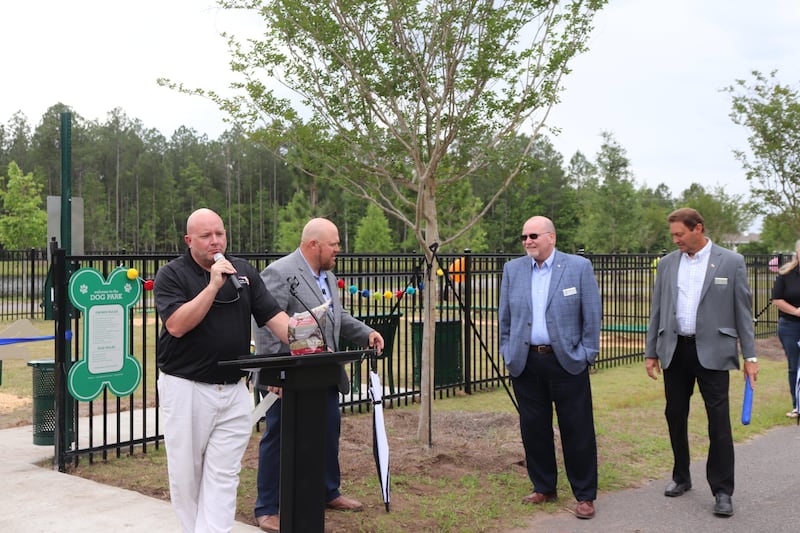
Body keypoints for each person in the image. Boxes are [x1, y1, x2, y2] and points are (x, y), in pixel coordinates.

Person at [154, 208, 290, 533]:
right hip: (187, 388)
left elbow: (274, 318)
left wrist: (309, 338)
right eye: (206, 236)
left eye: (220, 234)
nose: (215, 241)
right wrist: (213, 285)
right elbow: (177, 325)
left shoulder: (243, 272)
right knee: (187, 476)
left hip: (233, 390)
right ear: (189, 240)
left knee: (224, 474)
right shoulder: (171, 275)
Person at [253, 217, 385, 533]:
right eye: (334, 244)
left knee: (327, 431)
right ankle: (268, 507)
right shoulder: (280, 272)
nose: (338, 249)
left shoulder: (327, 275)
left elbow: (337, 316)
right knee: (278, 438)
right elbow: (265, 324)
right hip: (288, 378)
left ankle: (328, 491)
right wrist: (273, 373)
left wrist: (366, 333)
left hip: (324, 373)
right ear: (314, 244)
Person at [645, 207, 759, 518]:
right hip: (675, 351)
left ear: (698, 228)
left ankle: (722, 490)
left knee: (718, 422)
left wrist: (750, 357)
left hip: (714, 351)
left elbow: (743, 312)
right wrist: (651, 351)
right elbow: (657, 309)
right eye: (673, 235)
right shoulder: (667, 263)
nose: (676, 240)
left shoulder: (731, 261)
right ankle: (681, 476)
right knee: (675, 415)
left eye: (680, 234)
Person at [498, 215, 601, 520]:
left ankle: (585, 495)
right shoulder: (513, 269)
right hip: (526, 362)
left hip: (567, 362)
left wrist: (587, 354)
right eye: (524, 237)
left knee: (577, 429)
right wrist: (508, 352)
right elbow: (505, 318)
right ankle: (544, 487)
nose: (527, 241)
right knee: (534, 429)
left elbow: (592, 315)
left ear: (551, 237)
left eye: (533, 235)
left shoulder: (578, 267)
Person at [771, 239, 800, 418]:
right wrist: (796, 311)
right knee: (795, 366)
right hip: (790, 326)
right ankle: (798, 405)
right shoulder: (786, 274)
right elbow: (776, 299)